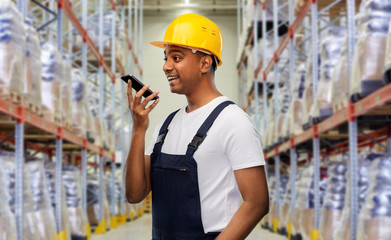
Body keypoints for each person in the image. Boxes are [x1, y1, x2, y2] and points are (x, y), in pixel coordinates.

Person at [124, 13, 269, 240]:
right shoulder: (166, 126)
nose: (166, 66)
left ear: (204, 63)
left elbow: (257, 203)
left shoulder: (233, 121)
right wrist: (138, 130)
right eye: (165, 58)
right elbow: (134, 194)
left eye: (177, 58)